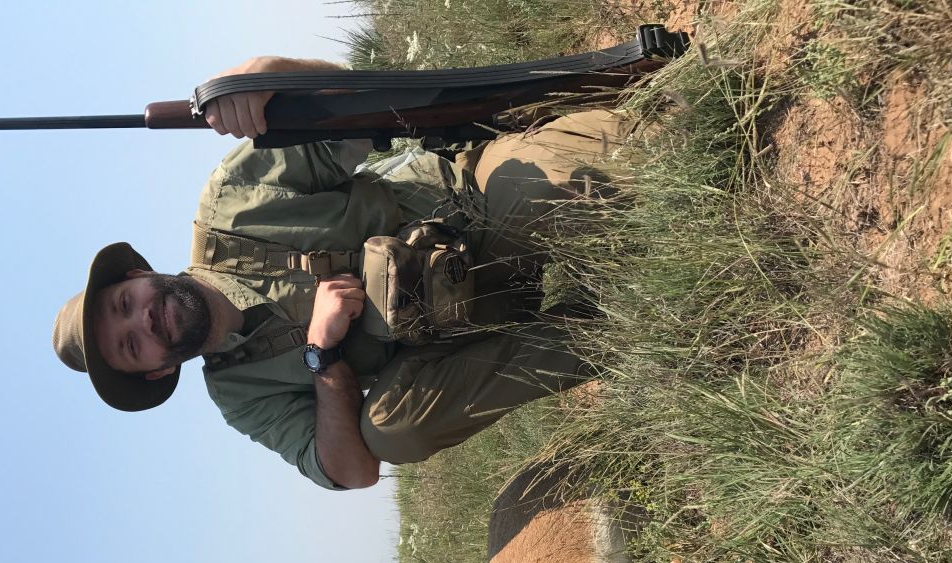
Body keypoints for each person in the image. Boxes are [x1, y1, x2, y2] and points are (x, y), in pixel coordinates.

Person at [52, 55, 639, 490]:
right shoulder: (239, 394)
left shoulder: (231, 200)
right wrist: (323, 359)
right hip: (476, 326)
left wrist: (273, 79)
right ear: (156, 373)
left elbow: (356, 105)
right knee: (390, 430)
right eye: (132, 345)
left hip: (477, 206)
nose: (145, 320)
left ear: (137, 273)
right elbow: (353, 472)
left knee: (640, 162)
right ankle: (613, 334)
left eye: (122, 303)